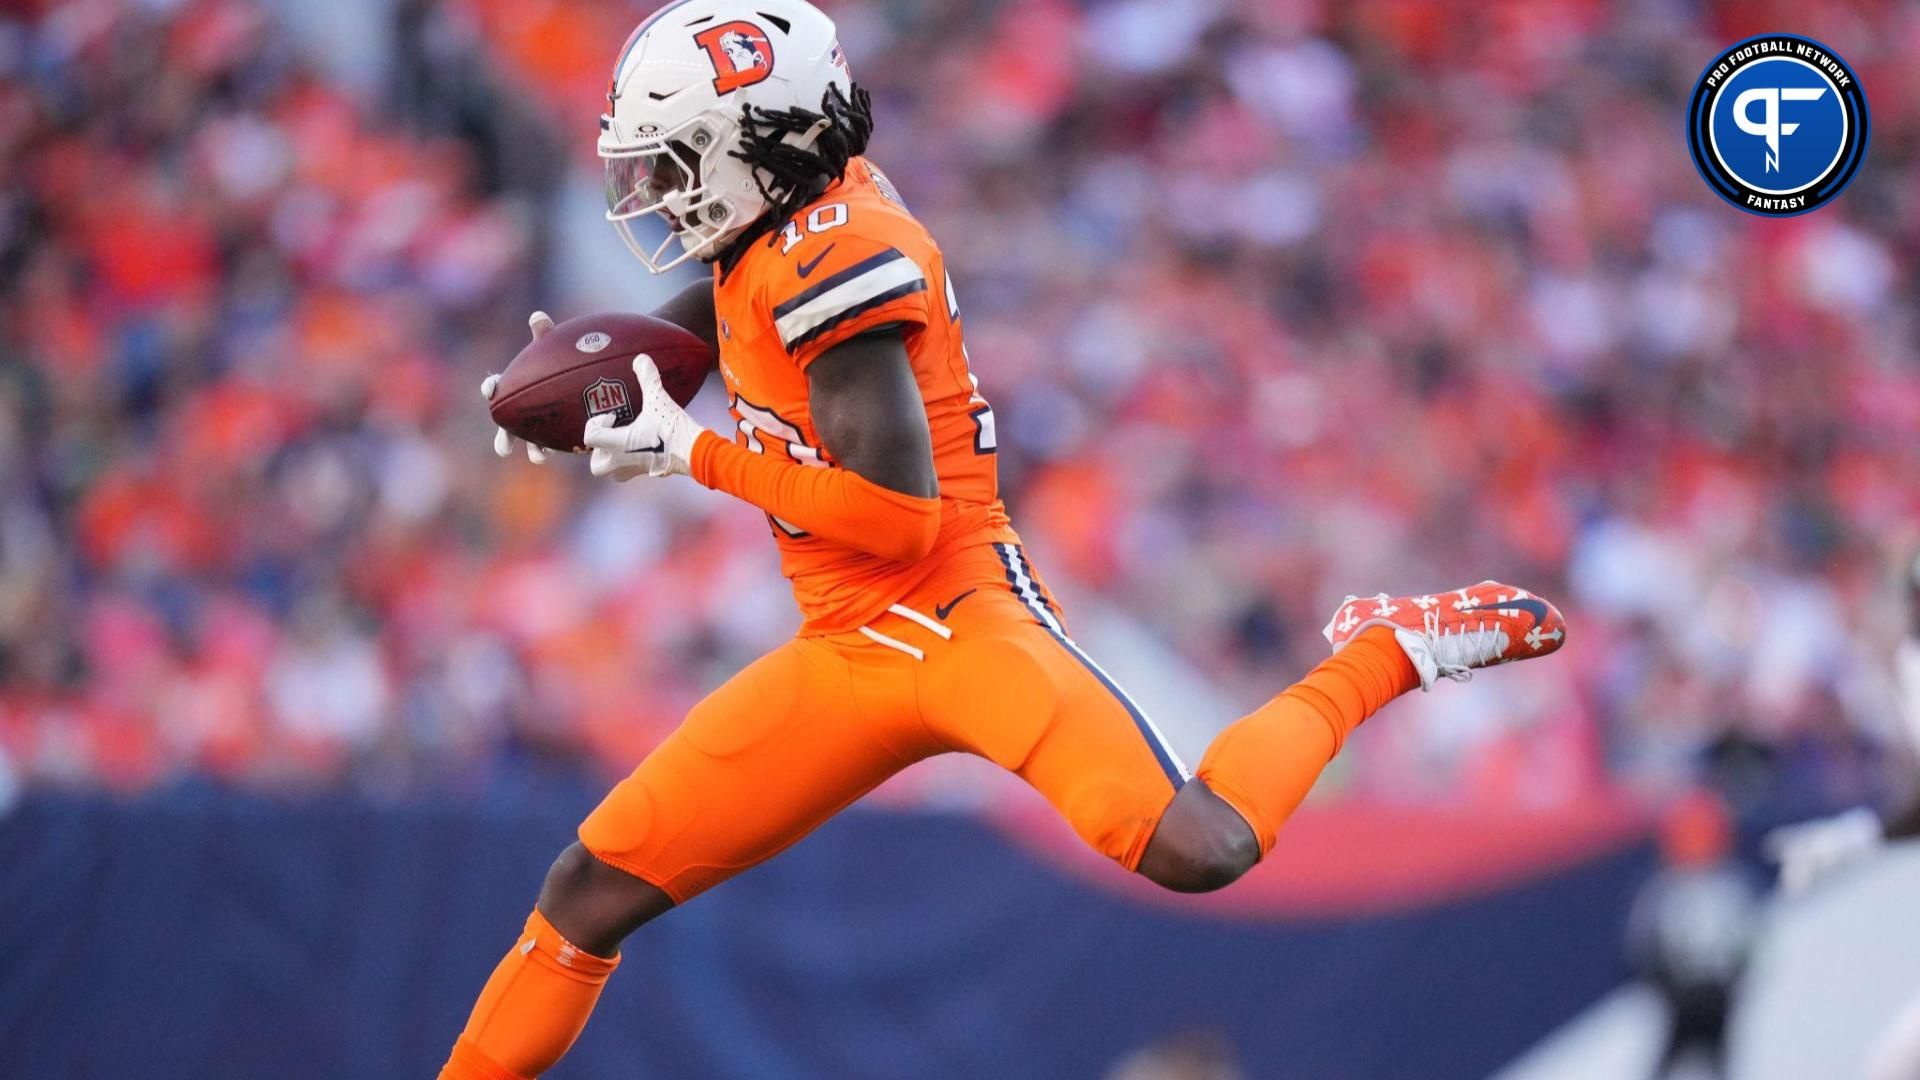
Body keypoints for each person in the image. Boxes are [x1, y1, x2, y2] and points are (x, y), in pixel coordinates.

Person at [441, 3, 1568, 1076]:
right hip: (845, 647)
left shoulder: (842, 257)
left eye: (683, 160)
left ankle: (1386, 652)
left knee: (1202, 847)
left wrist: (690, 453)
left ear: (768, 145)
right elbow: (730, 311)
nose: (663, 192)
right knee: (589, 886)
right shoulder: (783, 212)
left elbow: (896, 518)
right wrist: (605, 368)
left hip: (952, 619)